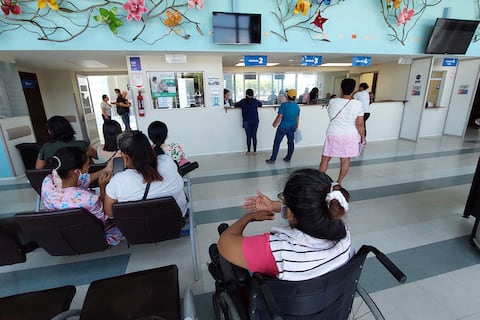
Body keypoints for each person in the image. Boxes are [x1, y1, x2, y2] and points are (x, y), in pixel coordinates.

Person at [217, 168, 352, 281]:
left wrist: (248, 217)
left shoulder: (279, 251)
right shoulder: (343, 235)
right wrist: (275, 206)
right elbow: (311, 213)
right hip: (331, 304)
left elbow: (224, 243)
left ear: (291, 214)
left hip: (284, 308)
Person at [41, 146, 121, 246]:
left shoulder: (47, 181)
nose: (90, 166)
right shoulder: (88, 199)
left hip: (63, 232)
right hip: (91, 235)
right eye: (88, 164)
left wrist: (106, 169)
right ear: (77, 172)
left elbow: (79, 181)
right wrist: (102, 187)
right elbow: (105, 216)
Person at [103, 130, 187, 217]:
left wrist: (103, 186)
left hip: (137, 229)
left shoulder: (118, 181)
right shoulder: (167, 162)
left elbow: (110, 213)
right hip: (174, 223)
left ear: (125, 157)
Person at [319, 78, 366, 184]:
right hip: (349, 134)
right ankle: (339, 182)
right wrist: (363, 137)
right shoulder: (358, 104)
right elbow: (359, 124)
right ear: (354, 89)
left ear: (341, 88)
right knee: (345, 159)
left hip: (333, 133)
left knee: (325, 158)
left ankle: (319, 181)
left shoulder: (333, 101)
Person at [266, 89, 300, 163]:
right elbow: (297, 118)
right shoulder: (297, 107)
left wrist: (274, 124)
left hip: (283, 127)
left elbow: (279, 116)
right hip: (292, 127)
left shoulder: (284, 105)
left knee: (277, 142)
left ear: (287, 96)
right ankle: (288, 157)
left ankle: (273, 159)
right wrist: (296, 127)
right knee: (291, 142)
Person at [235, 89, 262, 155]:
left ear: (246, 94)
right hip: (255, 120)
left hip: (246, 121)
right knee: (254, 136)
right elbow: (260, 104)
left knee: (248, 136)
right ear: (252, 94)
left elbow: (236, 105)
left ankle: (249, 151)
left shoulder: (243, 101)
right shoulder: (255, 101)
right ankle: (255, 151)